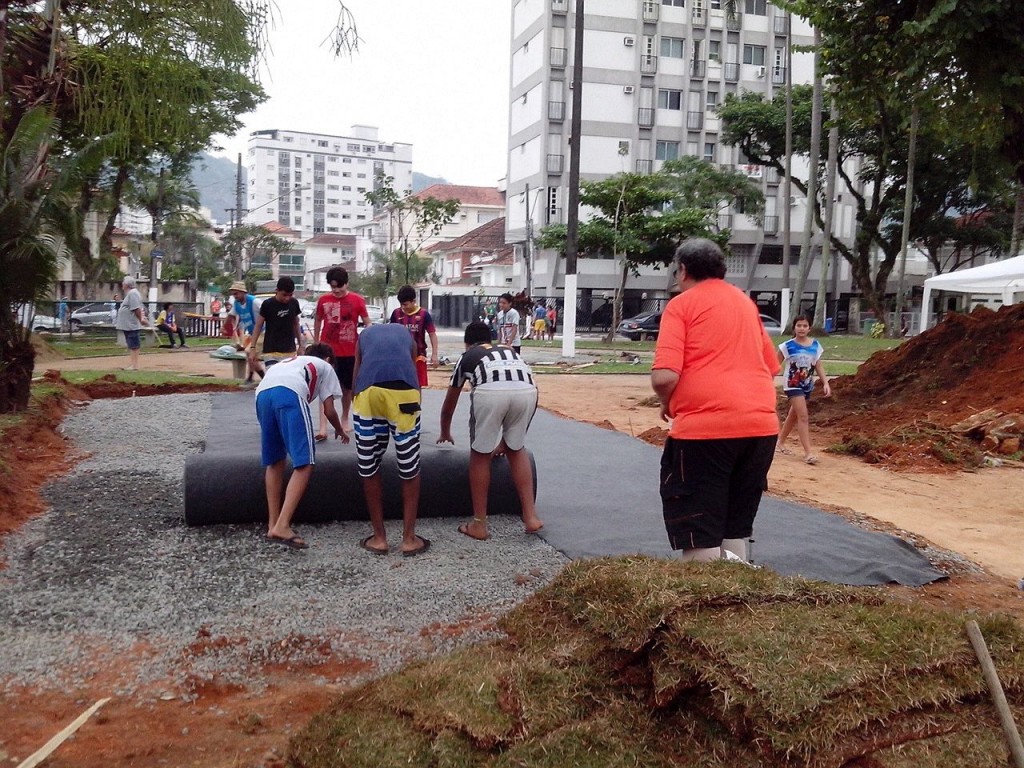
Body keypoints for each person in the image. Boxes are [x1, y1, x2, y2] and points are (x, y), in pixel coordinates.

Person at [650, 238, 780, 564]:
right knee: (733, 526)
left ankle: (700, 605)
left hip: (705, 432)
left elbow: (664, 376)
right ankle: (734, 600)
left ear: (683, 270)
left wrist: (667, 401)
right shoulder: (744, 303)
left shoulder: (681, 305)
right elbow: (772, 365)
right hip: (760, 428)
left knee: (699, 527)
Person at [438, 320, 543, 540]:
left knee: (480, 455)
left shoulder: (468, 356)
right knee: (517, 450)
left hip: (490, 392)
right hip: (528, 392)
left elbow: (450, 402)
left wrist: (445, 430)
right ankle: (531, 517)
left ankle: (479, 524)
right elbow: (534, 390)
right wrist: (510, 439)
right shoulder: (509, 350)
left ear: (468, 343)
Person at [255, 343, 349, 549]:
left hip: (262, 394)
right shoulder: (326, 367)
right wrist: (340, 430)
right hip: (289, 392)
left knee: (275, 461)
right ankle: (283, 524)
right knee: (305, 462)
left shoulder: (290, 362)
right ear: (328, 360)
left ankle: (272, 525)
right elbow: (329, 410)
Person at [351, 322, 429, 557]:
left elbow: (357, 372)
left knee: (369, 466)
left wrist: (356, 404)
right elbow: (413, 370)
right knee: (409, 466)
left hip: (368, 394)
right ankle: (409, 539)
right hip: (404, 393)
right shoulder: (407, 335)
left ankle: (379, 538)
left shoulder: (364, 335)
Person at [314, 266, 369, 438]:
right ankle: (323, 427)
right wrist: (316, 342)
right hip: (327, 351)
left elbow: (368, 323)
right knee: (324, 388)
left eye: (339, 286)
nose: (336, 290)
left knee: (348, 388)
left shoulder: (357, 300)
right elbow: (317, 320)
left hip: (350, 351)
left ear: (346, 283)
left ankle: (345, 419)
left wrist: (369, 342)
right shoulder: (323, 300)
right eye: (333, 287)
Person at [777, 315, 831, 464]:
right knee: (803, 416)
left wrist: (825, 383)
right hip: (792, 384)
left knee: (794, 415)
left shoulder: (815, 345)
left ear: (809, 328)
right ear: (794, 327)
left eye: (804, 326)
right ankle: (808, 453)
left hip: (807, 385)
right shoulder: (786, 346)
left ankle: (780, 442)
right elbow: (775, 365)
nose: (801, 328)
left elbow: (818, 365)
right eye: (799, 325)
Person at [388, 284, 439, 386]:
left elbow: (432, 334)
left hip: (419, 356)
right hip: (400, 356)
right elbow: (390, 333)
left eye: (406, 304)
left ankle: (417, 402)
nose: (403, 307)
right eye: (401, 304)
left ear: (413, 301)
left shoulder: (424, 314)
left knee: (417, 385)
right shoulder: (396, 314)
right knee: (399, 384)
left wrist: (434, 354)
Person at [248, 277, 302, 370]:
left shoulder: (294, 303)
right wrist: (253, 348)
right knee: (274, 376)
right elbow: (258, 326)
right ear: (276, 290)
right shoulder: (268, 304)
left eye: (290, 295)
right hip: (271, 351)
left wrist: (301, 345)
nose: (287, 298)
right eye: (284, 295)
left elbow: (296, 324)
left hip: (289, 350)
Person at [228, 281, 264, 386]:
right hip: (254, 334)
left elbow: (267, 310)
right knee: (250, 355)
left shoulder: (255, 302)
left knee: (249, 353)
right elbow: (230, 315)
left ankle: (262, 378)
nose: (235, 296)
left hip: (264, 331)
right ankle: (251, 378)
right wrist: (223, 328)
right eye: (233, 294)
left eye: (236, 294)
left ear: (243, 292)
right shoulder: (237, 304)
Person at [114, 276, 149, 371]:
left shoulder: (133, 294)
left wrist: (141, 319)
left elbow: (136, 308)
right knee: (132, 345)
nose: (122, 284)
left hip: (131, 324)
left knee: (134, 345)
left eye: (123, 282)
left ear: (126, 284)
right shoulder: (130, 294)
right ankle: (133, 365)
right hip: (128, 325)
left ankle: (134, 365)